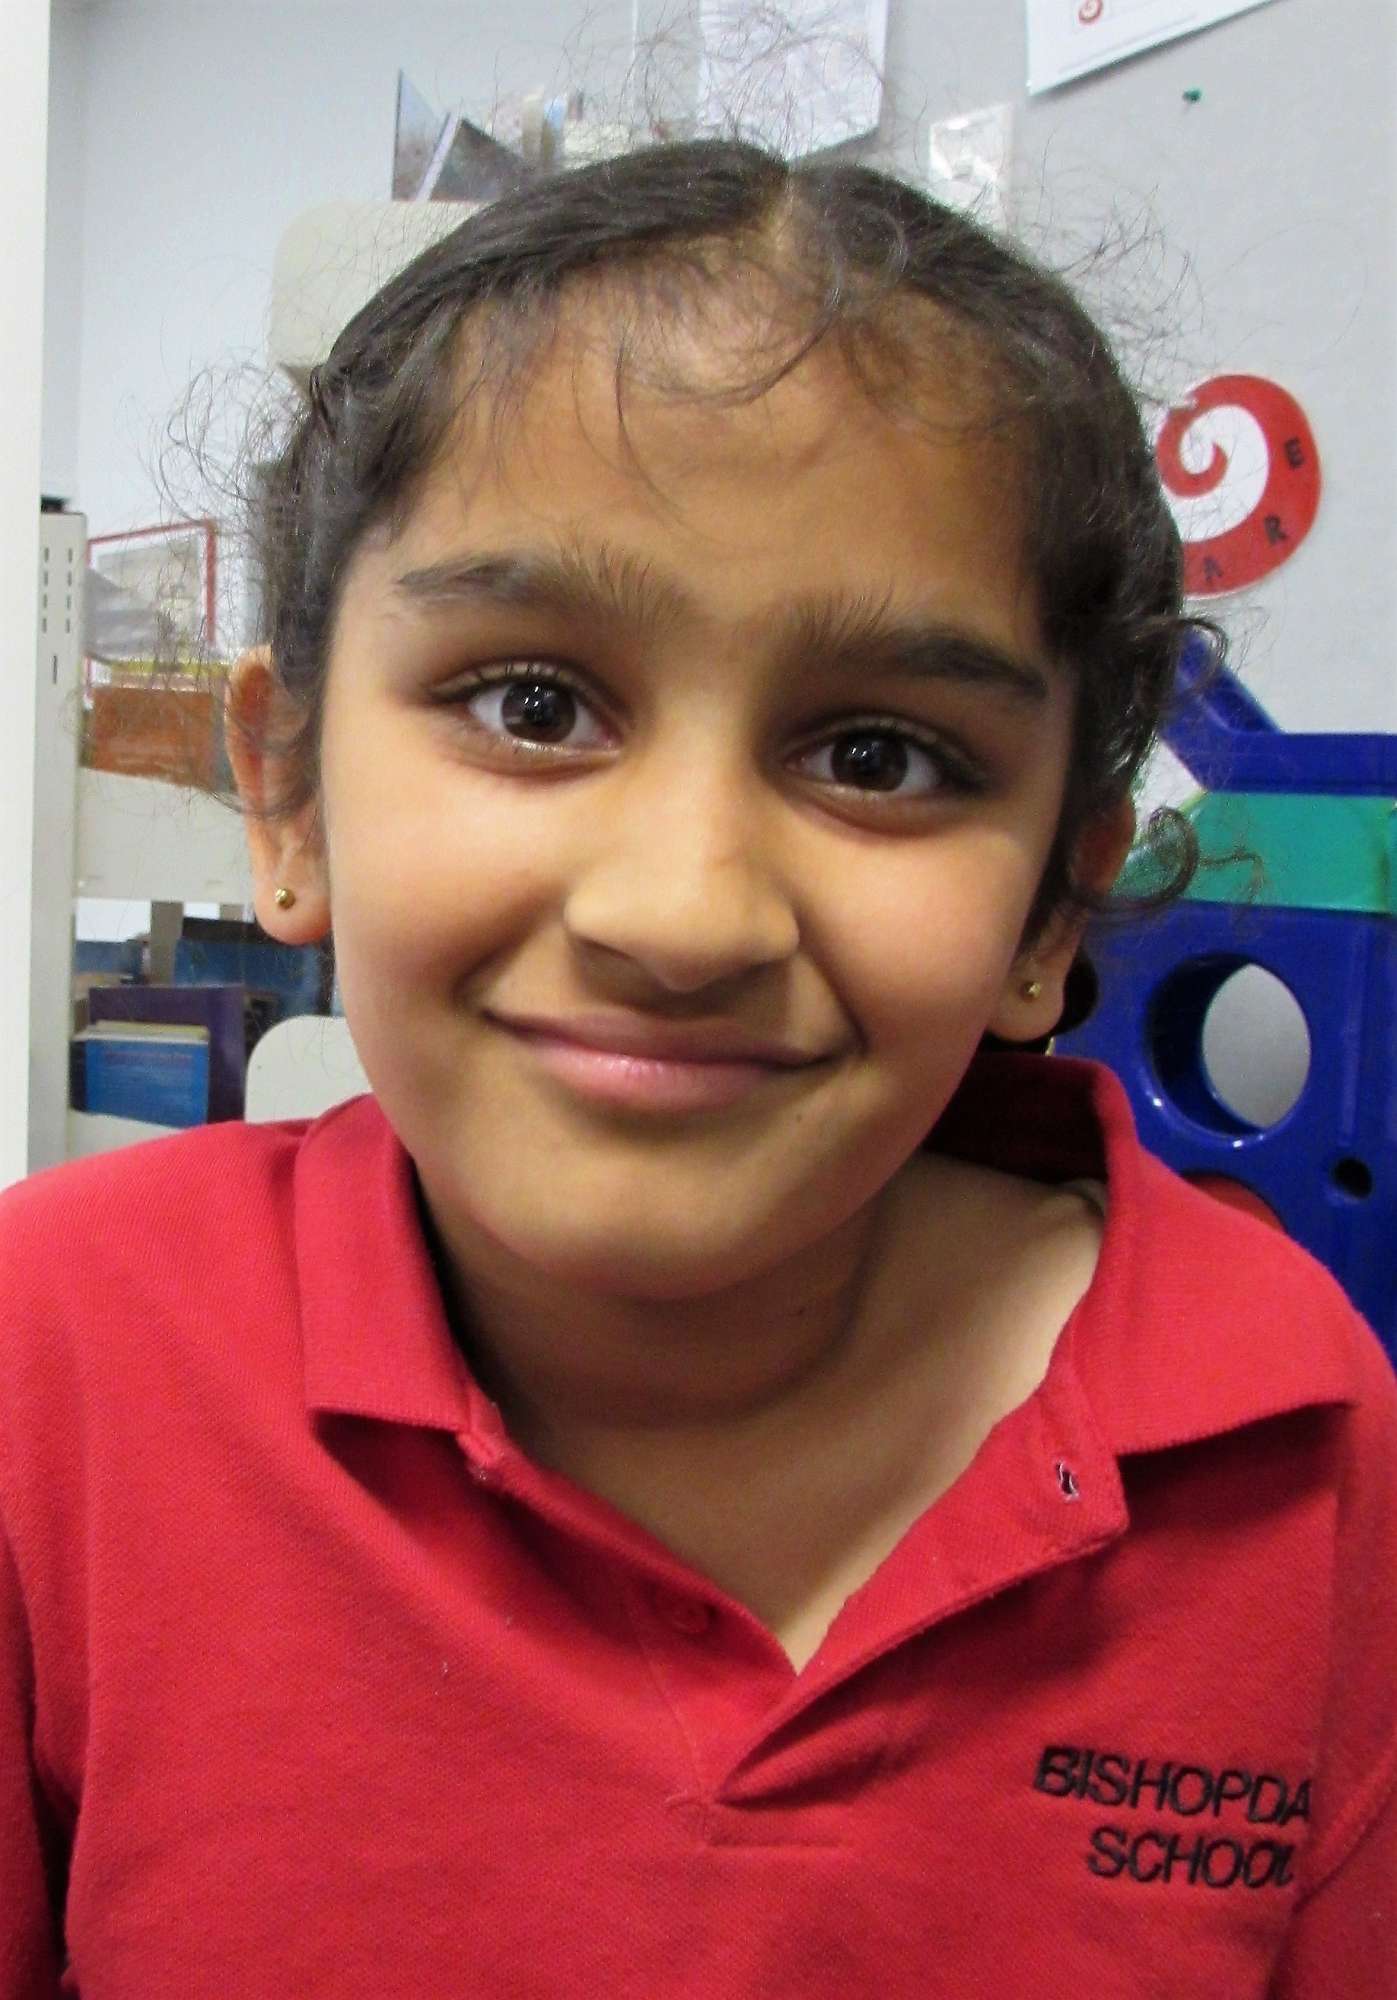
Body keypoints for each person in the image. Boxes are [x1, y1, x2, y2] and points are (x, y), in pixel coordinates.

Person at [1, 141, 1392, 1999]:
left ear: (1053, 901)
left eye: (879, 758)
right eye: (532, 707)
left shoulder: (1286, 1431)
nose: (683, 914)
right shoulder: (57, 1355)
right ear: (289, 797)